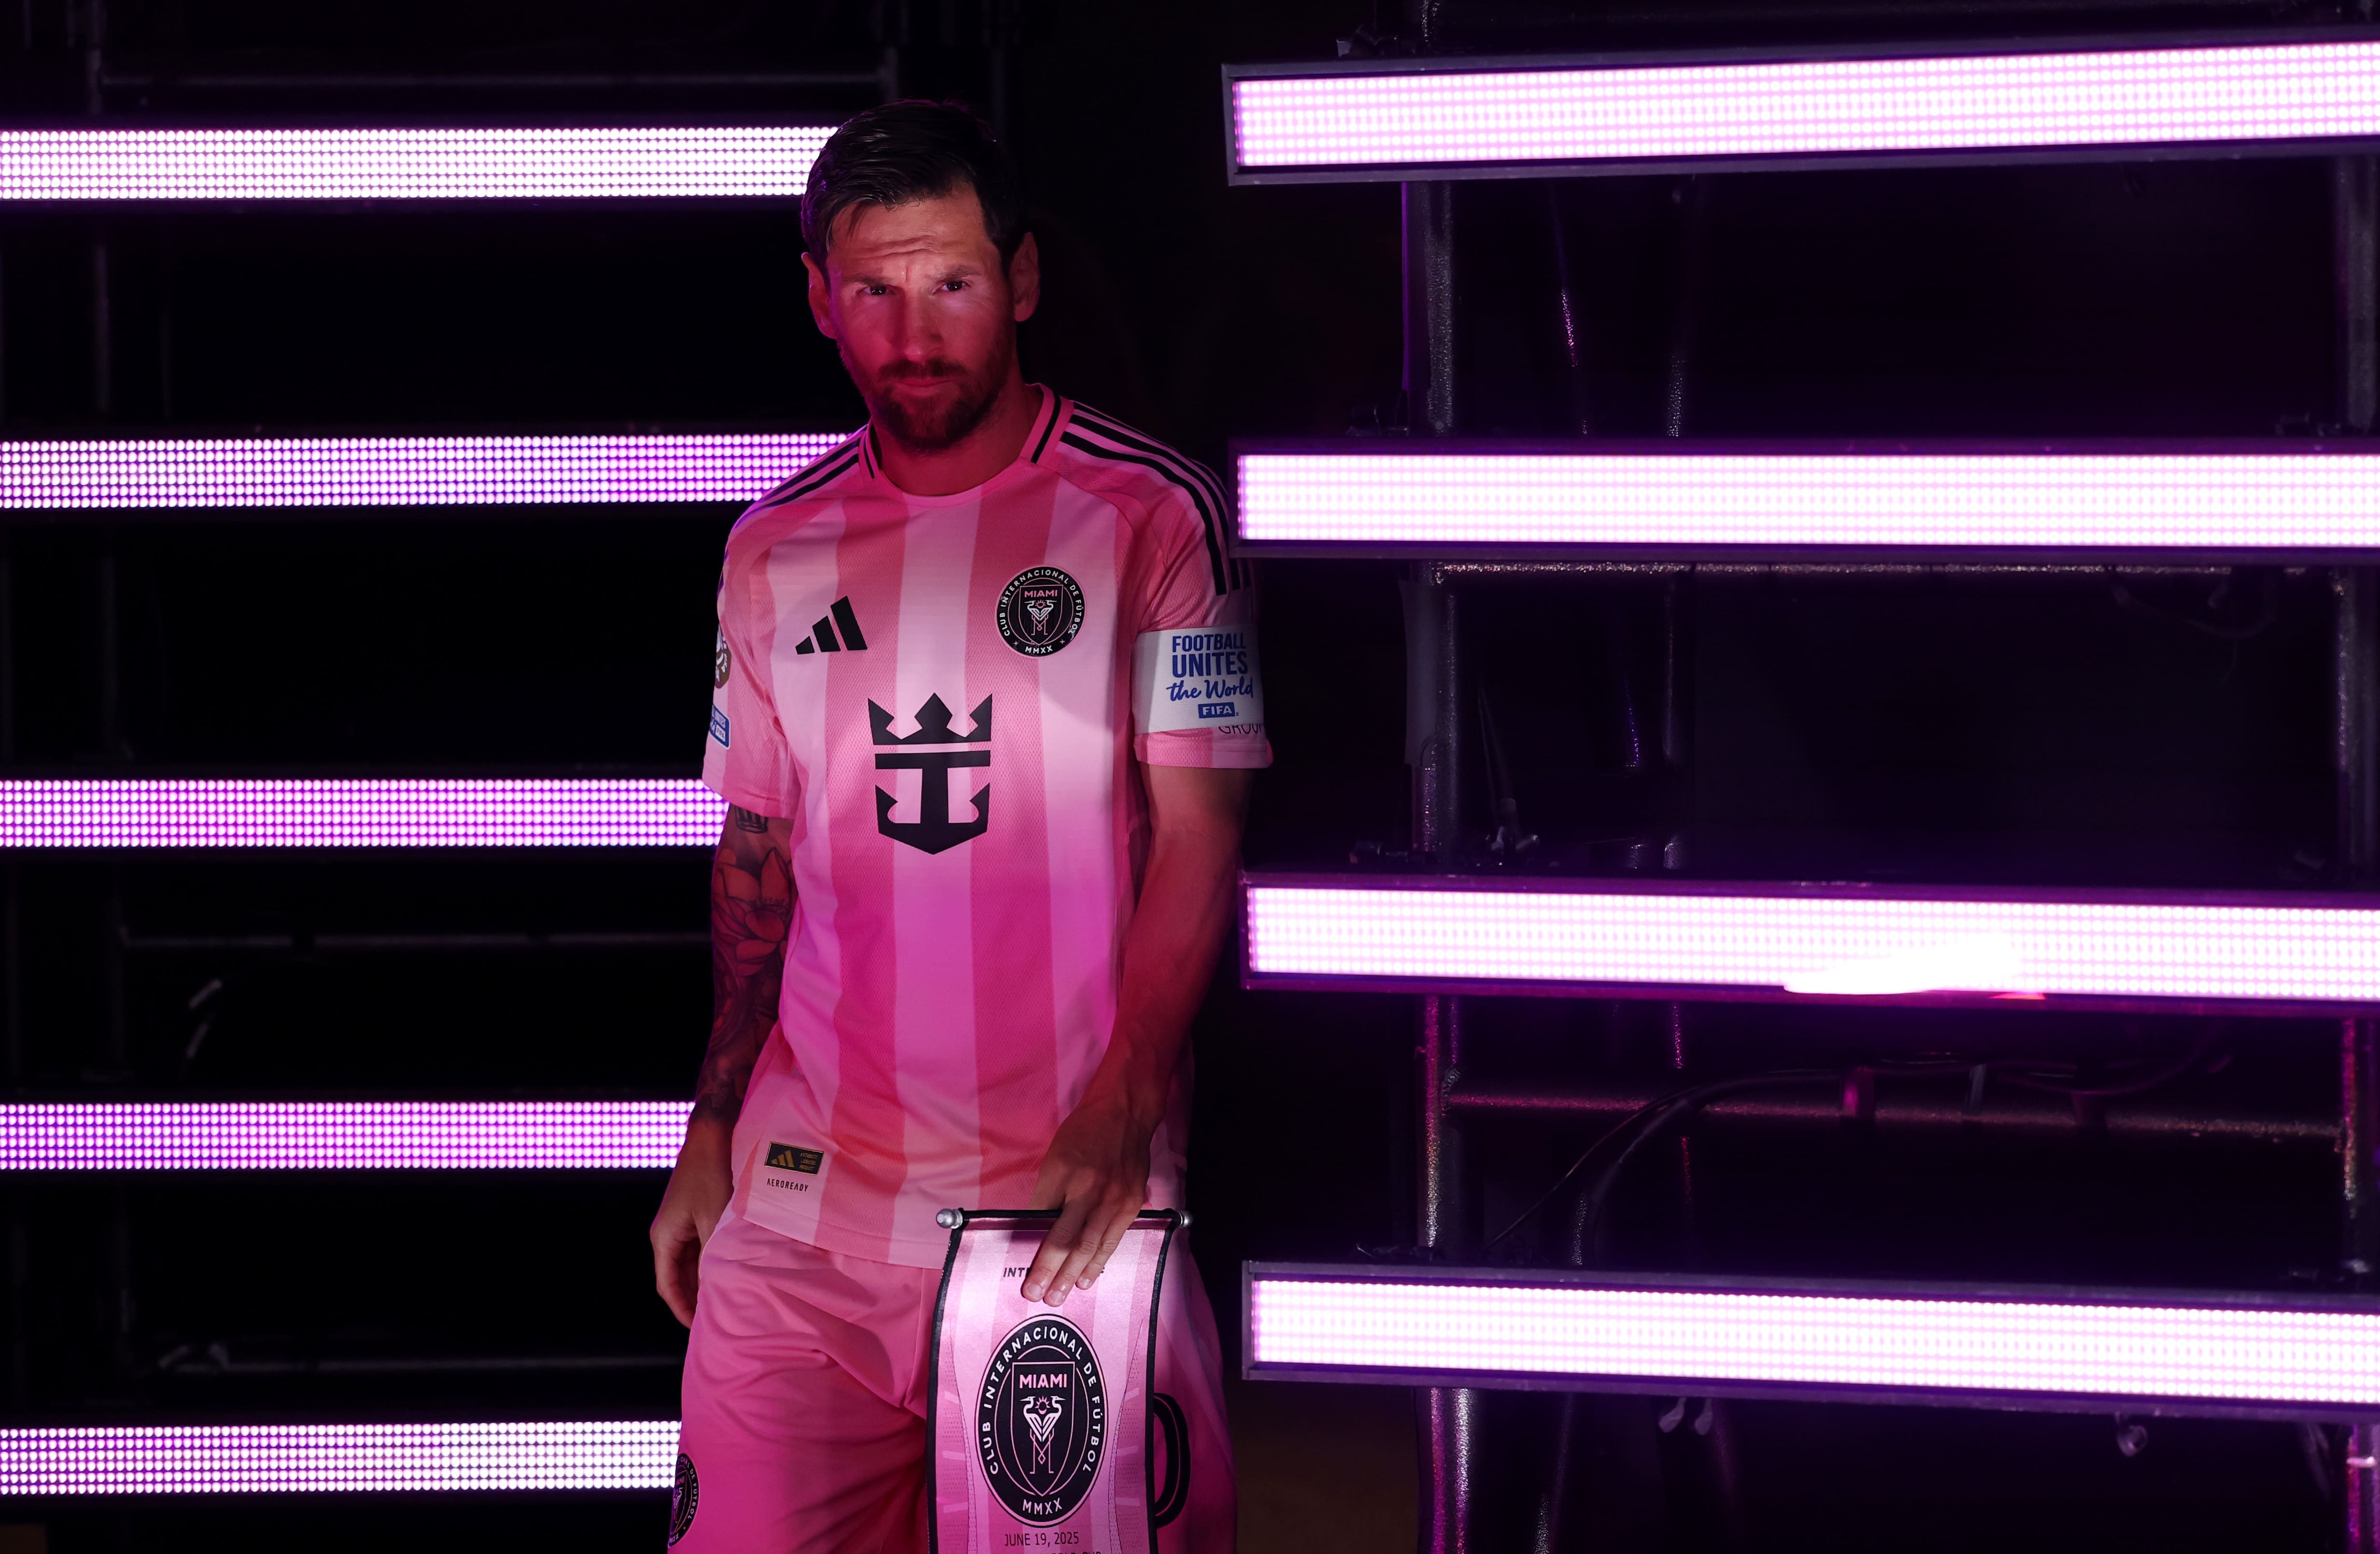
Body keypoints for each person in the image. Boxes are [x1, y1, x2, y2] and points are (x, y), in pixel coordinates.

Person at [648, 100, 1263, 1553]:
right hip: (808, 1219)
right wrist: (715, 1123)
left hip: (1063, 1216)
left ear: (1024, 282)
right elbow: (756, 864)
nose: (913, 333)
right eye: (872, 290)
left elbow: (1201, 832)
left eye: (952, 284)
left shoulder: (1154, 517)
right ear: (818, 299)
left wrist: (1125, 1104)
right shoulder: (770, 547)